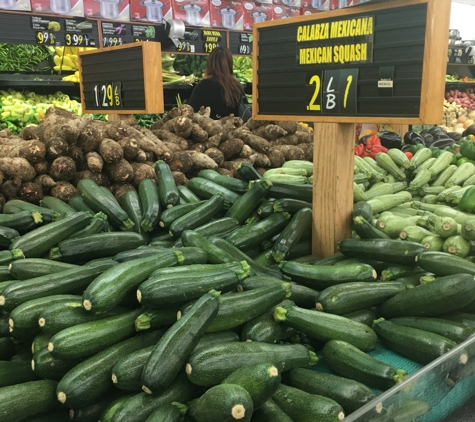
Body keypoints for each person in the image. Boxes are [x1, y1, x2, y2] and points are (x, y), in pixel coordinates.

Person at [187, 47, 244, 120]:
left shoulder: (203, 85)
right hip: (234, 129)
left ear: (210, 63)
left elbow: (190, 111)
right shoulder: (236, 85)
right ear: (230, 64)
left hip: (206, 129)